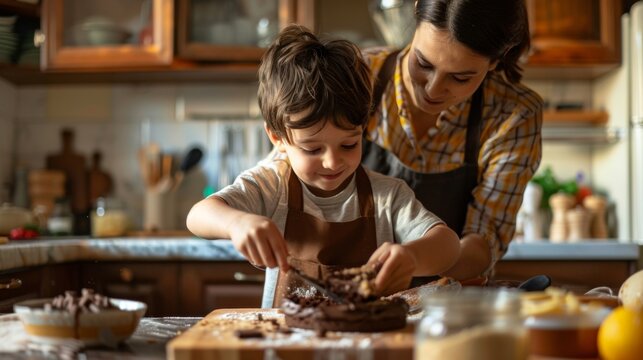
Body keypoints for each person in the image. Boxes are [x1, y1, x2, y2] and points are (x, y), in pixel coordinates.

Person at [186, 25, 460, 308]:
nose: (332, 162)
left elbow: (448, 246)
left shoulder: (387, 196)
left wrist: (412, 257)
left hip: (366, 344)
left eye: (349, 145)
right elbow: (198, 215)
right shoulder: (272, 185)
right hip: (284, 343)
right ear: (277, 138)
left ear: (362, 130)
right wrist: (237, 222)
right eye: (312, 149)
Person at [362, 0, 543, 283]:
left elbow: (484, 239)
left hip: (441, 307)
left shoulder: (512, 114)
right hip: (337, 294)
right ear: (416, 10)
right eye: (423, 63)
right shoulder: (358, 76)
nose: (433, 89)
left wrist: (416, 259)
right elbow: (289, 173)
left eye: (460, 77)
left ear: (496, 60)